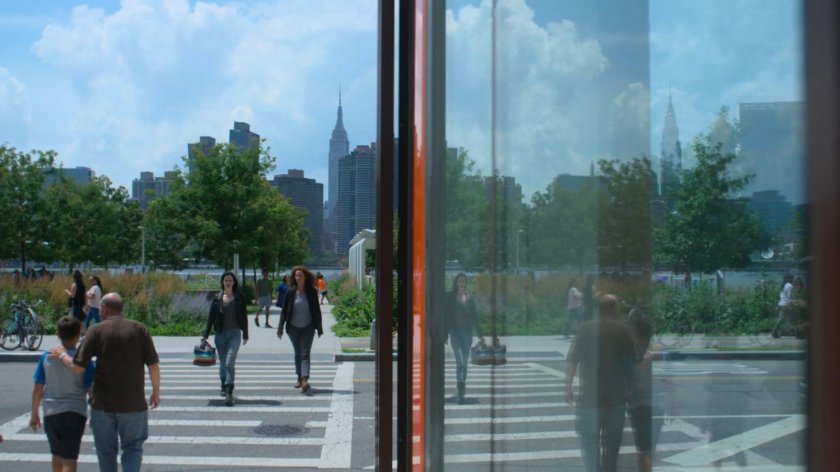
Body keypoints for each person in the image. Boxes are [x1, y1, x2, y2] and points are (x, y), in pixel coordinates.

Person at [49, 293, 160, 472]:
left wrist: (61, 354)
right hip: (134, 404)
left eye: (100, 308)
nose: (99, 312)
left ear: (106, 308)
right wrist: (156, 392)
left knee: (106, 452)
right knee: (133, 448)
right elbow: (153, 365)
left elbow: (77, 367)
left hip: (103, 405)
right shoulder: (140, 329)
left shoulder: (96, 330)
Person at [566, 294, 638, 472]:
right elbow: (633, 361)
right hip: (616, 398)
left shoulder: (585, 328)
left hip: (591, 398)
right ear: (613, 308)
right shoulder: (622, 330)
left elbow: (573, 360)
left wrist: (567, 386)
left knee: (590, 447)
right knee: (612, 448)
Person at [30, 316, 95, 472]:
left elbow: (38, 388)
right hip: (75, 412)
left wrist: (34, 414)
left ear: (58, 334)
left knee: (56, 455)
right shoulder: (82, 360)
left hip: (51, 412)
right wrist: (96, 413)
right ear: (78, 335)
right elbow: (90, 389)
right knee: (70, 458)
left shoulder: (46, 357)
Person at [203, 271, 249, 406]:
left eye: (230, 280)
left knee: (229, 362)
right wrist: (206, 333)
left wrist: (245, 333)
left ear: (234, 282)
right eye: (226, 280)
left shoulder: (239, 297)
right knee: (223, 364)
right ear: (223, 283)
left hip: (234, 334)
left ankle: (229, 390)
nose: (228, 282)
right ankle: (223, 385)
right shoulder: (217, 298)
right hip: (220, 334)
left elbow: (244, 316)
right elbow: (211, 316)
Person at [277, 266, 324, 393]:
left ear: (305, 277)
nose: (298, 278)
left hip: (308, 327)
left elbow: (316, 310)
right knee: (298, 353)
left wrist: (319, 328)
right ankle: (299, 377)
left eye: (300, 275)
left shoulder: (311, 291)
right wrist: (280, 328)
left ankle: (304, 379)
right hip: (293, 328)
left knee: (305, 354)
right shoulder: (290, 291)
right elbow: (284, 311)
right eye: (296, 276)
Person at [446, 273, 483, 404]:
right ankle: (461, 388)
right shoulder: (451, 298)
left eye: (463, 281)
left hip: (467, 334)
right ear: (456, 283)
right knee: (460, 361)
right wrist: (445, 334)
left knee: (464, 364)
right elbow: (447, 316)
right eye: (459, 281)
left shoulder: (470, 299)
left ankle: (461, 388)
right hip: (455, 333)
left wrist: (481, 336)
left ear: (465, 283)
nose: (461, 284)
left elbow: (475, 318)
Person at [772, 274, 795, 338]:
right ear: (789, 279)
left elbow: (782, 296)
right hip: (786, 304)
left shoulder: (783, 285)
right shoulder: (790, 286)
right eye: (792, 278)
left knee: (782, 318)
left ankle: (776, 332)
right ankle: (775, 332)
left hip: (781, 304)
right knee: (789, 318)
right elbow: (789, 296)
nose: (793, 279)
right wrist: (792, 304)